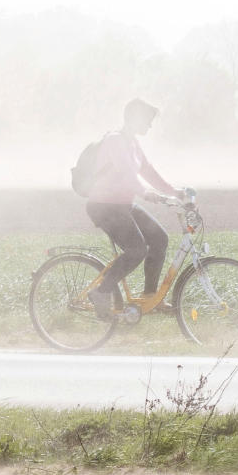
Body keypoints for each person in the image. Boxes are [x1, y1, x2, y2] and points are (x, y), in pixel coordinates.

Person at [85, 98, 185, 319]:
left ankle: (151, 297)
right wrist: (145, 193)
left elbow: (148, 171)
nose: (149, 126)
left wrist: (174, 192)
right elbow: (126, 173)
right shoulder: (114, 141)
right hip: (104, 206)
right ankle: (102, 292)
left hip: (123, 204)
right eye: (147, 121)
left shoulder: (133, 143)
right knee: (137, 249)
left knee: (160, 238)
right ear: (135, 118)